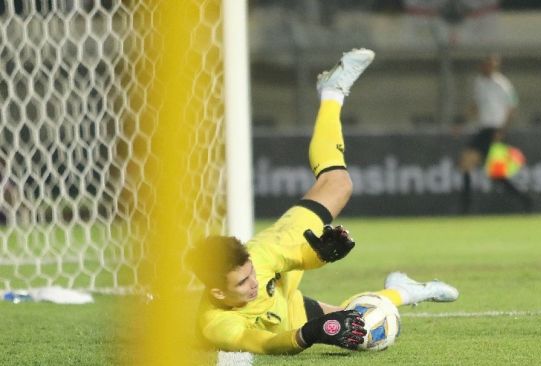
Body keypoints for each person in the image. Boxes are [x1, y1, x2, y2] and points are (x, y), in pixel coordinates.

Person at [186, 48, 459, 355]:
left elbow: (300, 256)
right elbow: (263, 343)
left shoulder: (260, 256)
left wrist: (322, 253)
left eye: (250, 274)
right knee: (362, 331)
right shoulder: (214, 324)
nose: (253, 283)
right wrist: (308, 333)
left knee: (338, 183)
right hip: (289, 315)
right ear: (217, 292)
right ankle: (403, 290)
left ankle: (333, 91)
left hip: (285, 264)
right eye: (241, 283)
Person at [458, 53, 532, 214]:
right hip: (484, 130)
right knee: (465, 164)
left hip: (496, 132)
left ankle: (525, 199)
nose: (489, 67)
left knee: (495, 174)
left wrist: (503, 130)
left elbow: (512, 108)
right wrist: (462, 122)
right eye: (487, 64)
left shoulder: (502, 84)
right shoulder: (479, 83)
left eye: (492, 64)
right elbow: (475, 105)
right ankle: (466, 207)